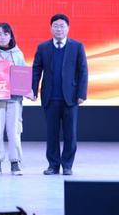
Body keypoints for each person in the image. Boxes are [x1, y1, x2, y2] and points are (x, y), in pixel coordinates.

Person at [29, 13, 89, 176]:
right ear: (51, 28)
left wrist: (82, 93)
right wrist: (33, 90)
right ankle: (53, 165)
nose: (59, 29)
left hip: (71, 98)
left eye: (62, 26)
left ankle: (67, 165)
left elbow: (83, 71)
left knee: (70, 134)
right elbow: (36, 70)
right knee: (52, 134)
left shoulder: (77, 46)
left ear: (68, 28)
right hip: (50, 98)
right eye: (55, 26)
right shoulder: (43, 47)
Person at [0, 22, 27, 176]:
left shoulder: (18, 54)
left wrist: (28, 91)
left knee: (14, 132)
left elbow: (24, 76)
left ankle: (15, 162)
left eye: (5, 34)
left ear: (11, 36)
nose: (2, 37)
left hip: (14, 100)